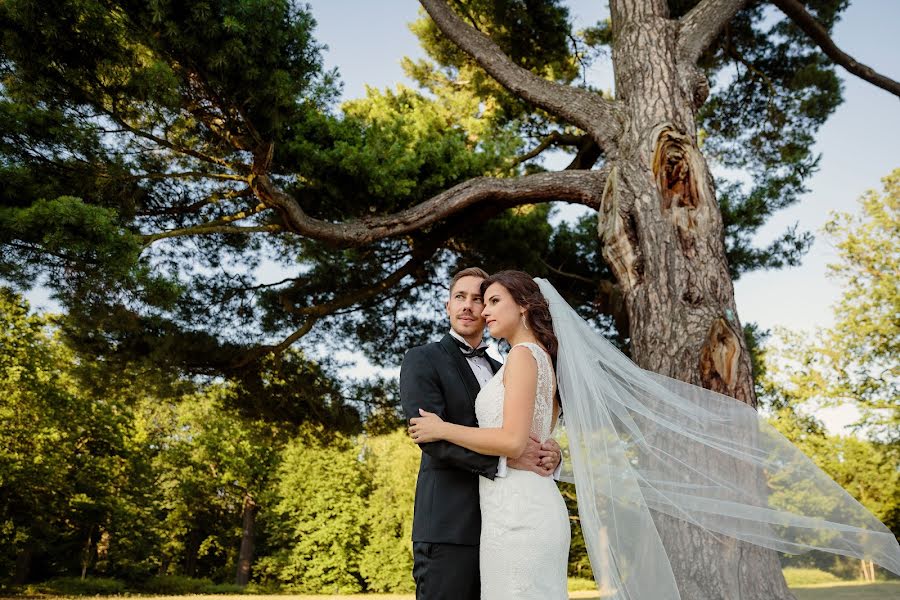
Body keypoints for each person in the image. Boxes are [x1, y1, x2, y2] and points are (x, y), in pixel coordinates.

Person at [411, 270, 900, 600]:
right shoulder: (525, 359)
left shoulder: (520, 357)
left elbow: (515, 440)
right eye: (471, 298)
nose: (482, 308)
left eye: (493, 300)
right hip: (497, 515)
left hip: (519, 514)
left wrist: (441, 427)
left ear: (524, 305)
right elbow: (528, 434)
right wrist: (549, 450)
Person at [399, 267, 562, 600]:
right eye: (461, 297)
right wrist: (504, 461)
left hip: (508, 520)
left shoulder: (509, 366)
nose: (472, 307)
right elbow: (431, 438)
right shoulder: (422, 359)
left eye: (482, 299)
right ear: (447, 305)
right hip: (451, 526)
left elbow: (525, 426)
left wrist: (552, 452)